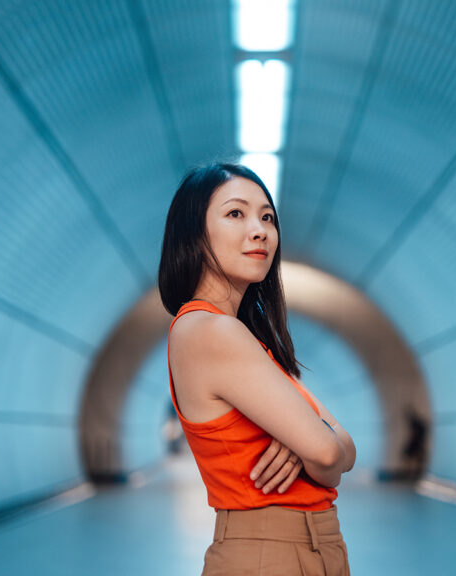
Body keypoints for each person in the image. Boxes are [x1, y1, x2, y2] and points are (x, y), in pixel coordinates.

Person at [159, 162, 356, 575]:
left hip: (307, 547)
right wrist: (312, 439)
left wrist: (310, 440)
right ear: (194, 233)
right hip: (270, 554)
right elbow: (327, 451)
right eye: (236, 213)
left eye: (267, 217)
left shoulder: (245, 339)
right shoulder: (210, 330)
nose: (260, 230)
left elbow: (347, 450)